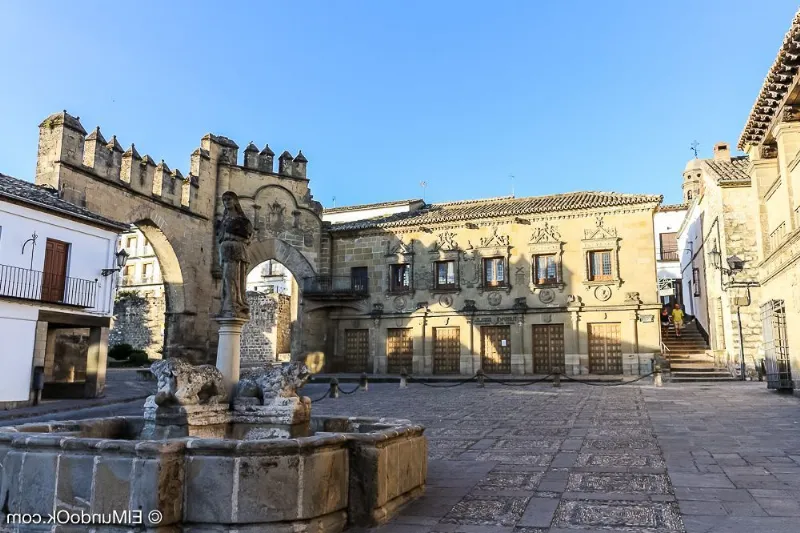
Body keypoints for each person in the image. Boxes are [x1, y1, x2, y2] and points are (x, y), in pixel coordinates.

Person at [218, 191, 254, 318]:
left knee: (234, 277)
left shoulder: (242, 220)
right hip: (225, 251)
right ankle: (228, 303)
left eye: (229, 199)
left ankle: (235, 303)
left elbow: (248, 236)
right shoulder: (223, 220)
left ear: (235, 201)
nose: (227, 202)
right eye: (225, 200)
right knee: (226, 278)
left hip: (237, 250)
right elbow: (220, 236)